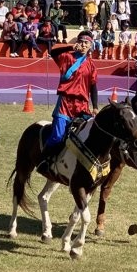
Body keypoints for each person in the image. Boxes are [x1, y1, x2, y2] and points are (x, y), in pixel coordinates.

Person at [40, 31, 99, 169]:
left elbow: (93, 87)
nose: (84, 45)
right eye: (81, 41)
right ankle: (44, 160)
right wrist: (70, 47)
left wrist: (95, 106)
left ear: (91, 45)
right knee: (58, 136)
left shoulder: (91, 65)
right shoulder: (67, 57)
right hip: (65, 103)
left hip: (82, 106)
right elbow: (52, 52)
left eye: (87, 42)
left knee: (88, 135)